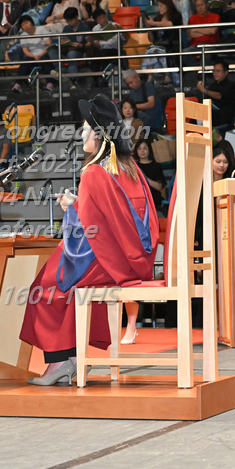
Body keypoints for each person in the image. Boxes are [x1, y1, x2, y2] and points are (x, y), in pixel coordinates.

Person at [20, 94, 159, 384]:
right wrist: (79, 204)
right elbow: (116, 218)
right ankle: (72, 360)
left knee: (44, 287)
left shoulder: (95, 171)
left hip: (110, 262)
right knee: (63, 284)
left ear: (98, 134)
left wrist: (71, 209)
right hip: (135, 260)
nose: (81, 134)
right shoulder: (132, 168)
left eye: (85, 128)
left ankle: (61, 362)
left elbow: (89, 230)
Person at [52, 7, 91, 88]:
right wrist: (63, 43)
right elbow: (63, 40)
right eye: (67, 21)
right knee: (52, 50)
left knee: (72, 54)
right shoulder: (66, 28)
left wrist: (81, 45)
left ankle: (73, 80)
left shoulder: (85, 27)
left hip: (79, 52)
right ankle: (60, 71)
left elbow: (90, 44)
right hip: (66, 50)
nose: (69, 23)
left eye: (71, 20)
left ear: (76, 17)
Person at [196, 59, 235, 129]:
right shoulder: (212, 86)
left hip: (224, 116)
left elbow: (219, 96)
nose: (215, 73)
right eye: (214, 71)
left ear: (226, 72)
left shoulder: (231, 85)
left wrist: (204, 90)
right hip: (212, 114)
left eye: (218, 71)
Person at [183, 0, 220, 66]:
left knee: (206, 53)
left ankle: (202, 71)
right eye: (197, 6)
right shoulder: (192, 19)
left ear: (207, 4)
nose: (200, 7)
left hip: (210, 44)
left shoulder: (215, 16)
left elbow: (213, 31)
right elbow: (191, 34)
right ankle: (198, 69)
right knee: (184, 53)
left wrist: (196, 29)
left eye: (202, 4)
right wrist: (207, 31)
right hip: (196, 45)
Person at [134, 139, 166, 208]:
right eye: (139, 148)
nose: (142, 151)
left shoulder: (156, 166)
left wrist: (144, 177)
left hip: (154, 200)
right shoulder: (134, 167)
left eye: (145, 148)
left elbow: (159, 187)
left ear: (149, 150)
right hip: (139, 200)